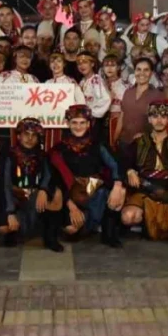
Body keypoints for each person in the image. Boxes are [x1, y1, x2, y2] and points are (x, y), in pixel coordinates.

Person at [48, 105, 126, 247]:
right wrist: (71, 206)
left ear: (89, 123)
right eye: (74, 123)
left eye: (82, 123)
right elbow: (55, 180)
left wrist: (117, 185)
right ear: (67, 123)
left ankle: (108, 233)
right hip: (70, 193)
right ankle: (84, 223)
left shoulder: (98, 144)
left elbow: (114, 165)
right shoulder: (59, 149)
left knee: (119, 191)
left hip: (95, 191)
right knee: (70, 230)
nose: (79, 127)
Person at [119, 101, 168, 244]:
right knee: (128, 217)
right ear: (149, 119)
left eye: (163, 117)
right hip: (145, 191)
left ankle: (159, 224)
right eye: (155, 116)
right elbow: (123, 161)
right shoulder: (140, 141)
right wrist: (130, 171)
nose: (159, 121)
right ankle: (148, 223)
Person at [0, 118, 65, 251]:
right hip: (16, 198)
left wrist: (43, 190)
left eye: (34, 135)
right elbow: (5, 184)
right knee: (3, 228)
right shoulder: (8, 155)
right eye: (26, 134)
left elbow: (48, 175)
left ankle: (50, 237)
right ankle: (14, 231)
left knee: (56, 193)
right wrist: (10, 212)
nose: (30, 138)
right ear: (18, 136)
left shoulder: (43, 155)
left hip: (35, 195)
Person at [118, 57, 165, 150]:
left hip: (146, 144)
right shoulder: (128, 92)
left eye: (146, 70)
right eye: (138, 69)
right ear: (134, 71)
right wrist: (115, 138)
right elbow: (122, 116)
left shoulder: (157, 95)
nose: (141, 73)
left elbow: (161, 123)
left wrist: (146, 135)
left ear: (151, 73)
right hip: (124, 141)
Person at [102, 54, 128, 145]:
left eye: (112, 65)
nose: (109, 68)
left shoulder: (125, 86)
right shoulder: (99, 84)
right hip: (101, 123)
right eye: (106, 65)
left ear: (118, 67)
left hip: (118, 123)